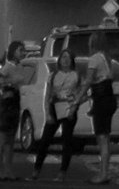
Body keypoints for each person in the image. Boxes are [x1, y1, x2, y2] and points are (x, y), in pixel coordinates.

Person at [32, 47, 83, 181]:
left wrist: (74, 107)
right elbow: (47, 95)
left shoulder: (76, 75)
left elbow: (82, 94)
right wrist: (48, 113)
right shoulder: (53, 75)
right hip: (55, 107)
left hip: (69, 108)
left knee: (67, 141)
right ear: (59, 60)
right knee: (45, 140)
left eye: (68, 58)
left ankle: (62, 172)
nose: (65, 60)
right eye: (63, 57)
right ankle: (36, 169)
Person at [80, 35, 114, 186]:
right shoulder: (106, 58)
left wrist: (78, 97)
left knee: (102, 138)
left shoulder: (94, 59)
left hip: (101, 101)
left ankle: (103, 174)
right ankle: (105, 172)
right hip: (109, 99)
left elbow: (89, 80)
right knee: (105, 137)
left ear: (93, 44)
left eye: (89, 42)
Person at [0, 41, 32, 183]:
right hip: (6, 105)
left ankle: (8, 171)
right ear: (13, 51)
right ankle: (2, 171)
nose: (23, 53)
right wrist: (9, 85)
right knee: (3, 139)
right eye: (20, 50)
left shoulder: (19, 66)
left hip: (15, 104)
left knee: (11, 140)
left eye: (23, 50)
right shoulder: (8, 67)